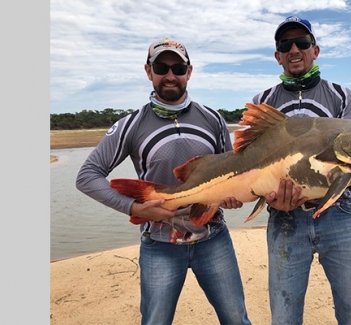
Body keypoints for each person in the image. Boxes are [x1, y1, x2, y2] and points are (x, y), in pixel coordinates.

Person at [76, 37, 251, 325]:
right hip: (159, 245)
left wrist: (231, 198)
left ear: (189, 72)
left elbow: (231, 173)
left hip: (214, 238)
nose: (170, 75)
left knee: (236, 319)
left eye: (178, 68)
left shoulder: (214, 120)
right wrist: (135, 208)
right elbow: (87, 177)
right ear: (149, 71)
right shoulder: (129, 125)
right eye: (161, 67)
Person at [251, 16, 351, 324]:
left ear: (315, 50)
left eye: (302, 43)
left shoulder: (341, 96)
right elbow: (255, 164)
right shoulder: (263, 102)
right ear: (277, 55)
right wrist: (268, 195)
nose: (294, 50)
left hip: (341, 216)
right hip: (285, 220)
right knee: (284, 317)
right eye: (285, 45)